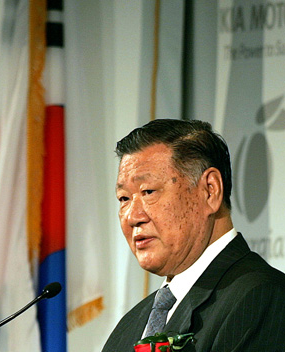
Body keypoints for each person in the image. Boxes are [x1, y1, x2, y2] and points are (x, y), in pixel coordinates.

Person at [102, 119, 285, 351]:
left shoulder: (263, 299)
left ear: (210, 190)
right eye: (124, 199)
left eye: (148, 192)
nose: (132, 216)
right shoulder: (129, 328)